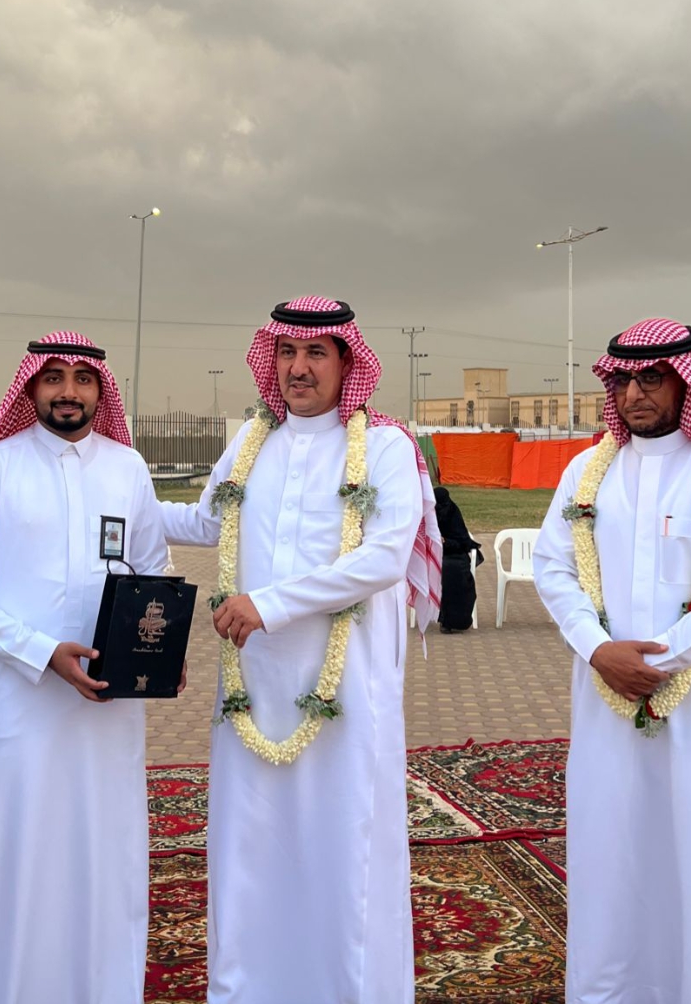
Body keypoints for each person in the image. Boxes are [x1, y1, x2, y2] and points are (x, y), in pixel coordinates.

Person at [160, 297, 442, 1004]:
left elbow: (384, 557)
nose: (298, 367)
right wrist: (115, 498)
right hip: (253, 681)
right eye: (286, 352)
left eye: (316, 352)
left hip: (346, 685)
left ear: (347, 362)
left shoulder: (384, 446)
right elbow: (205, 521)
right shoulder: (252, 442)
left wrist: (270, 604)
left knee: (343, 842)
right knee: (250, 842)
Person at [0, 332, 169, 1004]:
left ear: (100, 390)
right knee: (7, 857)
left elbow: (154, 577)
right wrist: (42, 652)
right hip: (11, 706)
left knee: (100, 855)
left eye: (83, 378)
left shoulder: (128, 468)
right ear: (32, 386)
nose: (69, 391)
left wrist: (161, 654)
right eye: (54, 377)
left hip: (104, 712)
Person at [533, 319, 691, 1004]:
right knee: (612, 845)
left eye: (652, 378)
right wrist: (596, 647)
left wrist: (668, 658)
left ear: (687, 383)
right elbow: (552, 566)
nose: (634, 394)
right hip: (606, 696)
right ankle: (613, 987)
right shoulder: (587, 471)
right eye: (623, 380)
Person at [434, 484, 482, 632]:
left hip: (456, 553)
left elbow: (462, 542)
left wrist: (446, 541)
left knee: (454, 573)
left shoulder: (453, 513)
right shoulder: (429, 514)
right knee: (445, 569)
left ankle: (454, 620)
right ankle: (446, 619)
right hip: (435, 554)